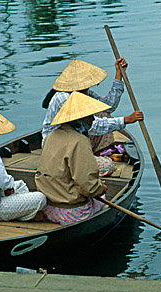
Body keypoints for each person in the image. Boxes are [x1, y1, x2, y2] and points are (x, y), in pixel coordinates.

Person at [41, 58, 143, 175]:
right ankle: (78, 163)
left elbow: (107, 106)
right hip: (58, 148)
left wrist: (119, 75)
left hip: (74, 142)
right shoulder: (64, 98)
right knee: (108, 166)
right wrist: (125, 120)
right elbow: (94, 126)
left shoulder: (84, 93)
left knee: (103, 114)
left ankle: (87, 156)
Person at [35, 91, 112, 226]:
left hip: (48, 208)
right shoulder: (79, 141)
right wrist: (101, 189)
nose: (93, 119)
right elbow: (88, 186)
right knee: (102, 197)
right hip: (72, 214)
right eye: (90, 115)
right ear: (81, 117)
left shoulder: (51, 136)